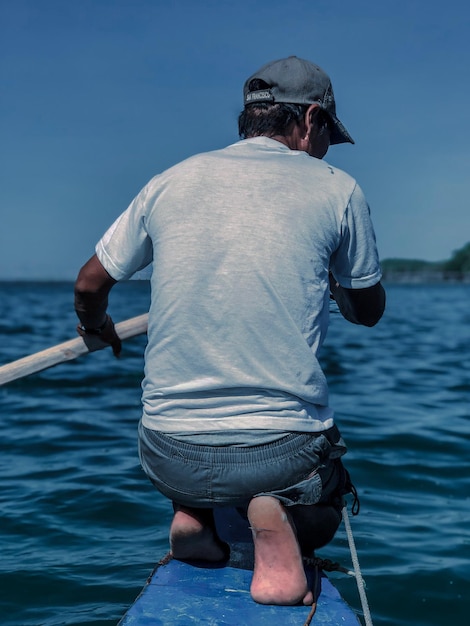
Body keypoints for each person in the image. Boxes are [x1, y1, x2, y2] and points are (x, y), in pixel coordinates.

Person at [74, 55, 385, 607]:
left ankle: (191, 512)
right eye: (328, 135)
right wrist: (333, 282)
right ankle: (276, 512)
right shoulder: (338, 188)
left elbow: (90, 283)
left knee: (193, 460)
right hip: (280, 453)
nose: (326, 149)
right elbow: (367, 311)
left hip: (166, 451)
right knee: (324, 503)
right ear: (311, 119)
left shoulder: (170, 180)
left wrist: (95, 326)